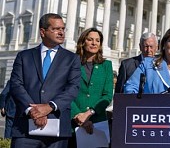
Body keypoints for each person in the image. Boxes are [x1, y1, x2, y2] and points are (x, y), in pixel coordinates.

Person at [9, 13, 81, 148]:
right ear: (43, 32)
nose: (61, 33)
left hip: (57, 129)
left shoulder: (72, 59)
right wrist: (32, 110)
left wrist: (49, 107)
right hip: (25, 129)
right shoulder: (24, 56)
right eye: (56, 29)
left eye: (63, 29)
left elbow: (73, 87)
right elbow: (16, 85)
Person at [69, 28, 113, 147]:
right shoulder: (71, 63)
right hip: (74, 124)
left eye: (97, 40)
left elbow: (108, 95)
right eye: (90, 40)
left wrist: (89, 113)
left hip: (97, 123)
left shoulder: (106, 65)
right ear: (83, 42)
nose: (94, 43)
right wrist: (78, 115)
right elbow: (66, 92)